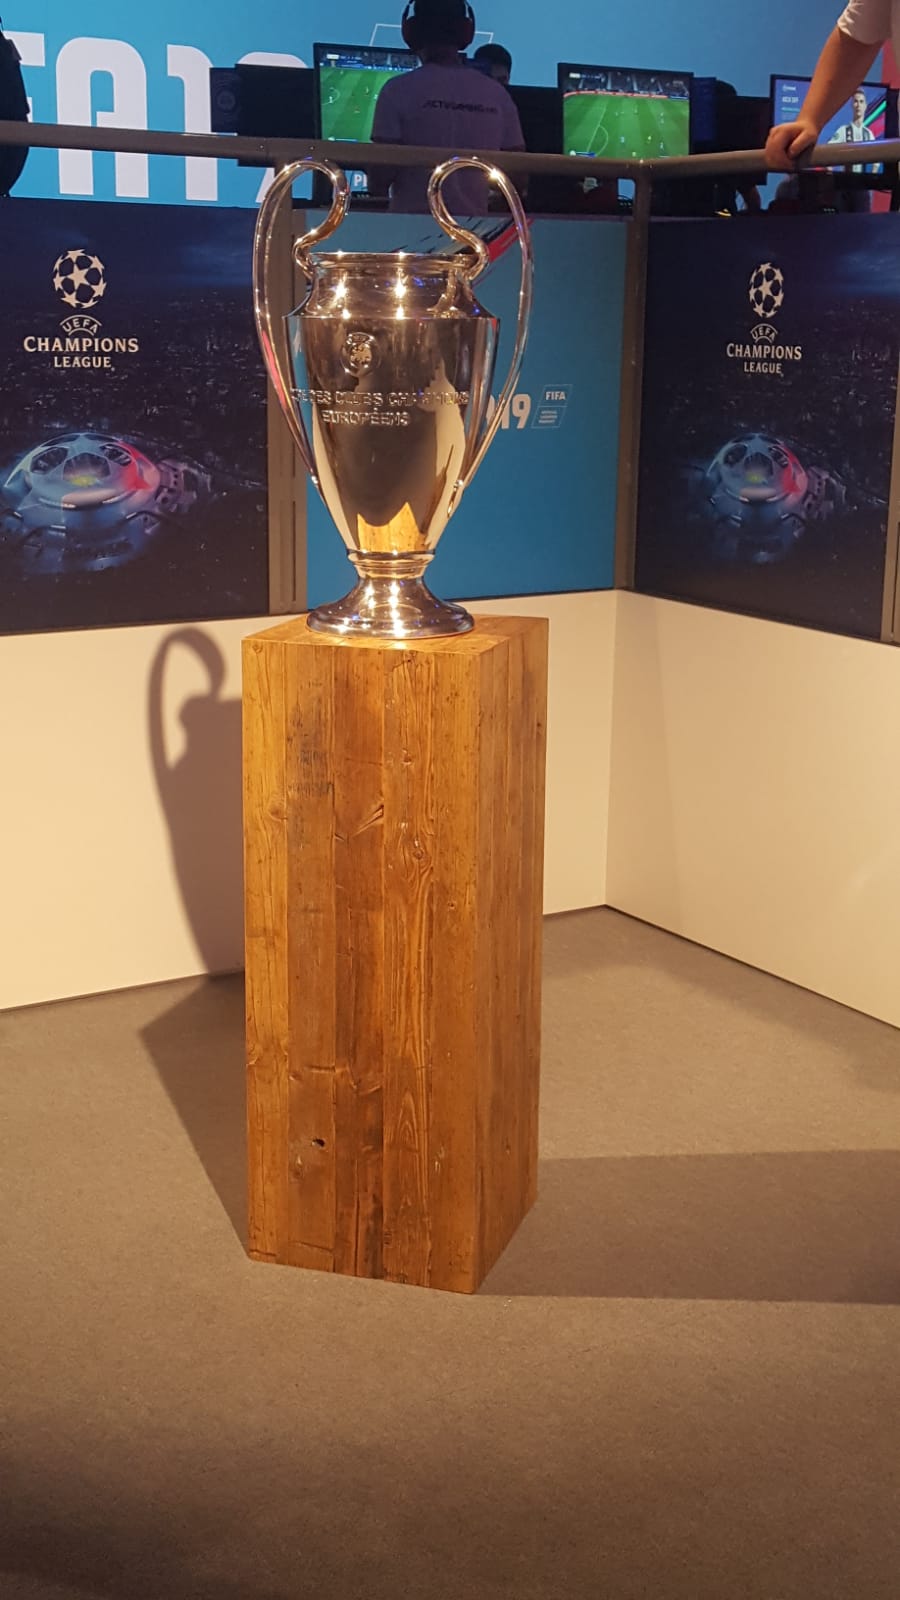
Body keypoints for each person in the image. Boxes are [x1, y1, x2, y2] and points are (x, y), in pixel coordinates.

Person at [370, 0, 524, 213]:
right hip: (476, 229)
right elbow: (518, 178)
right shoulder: (497, 94)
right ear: (466, 32)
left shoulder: (396, 90)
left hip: (410, 227)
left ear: (411, 31)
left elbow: (378, 180)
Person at [766, 2, 894, 170]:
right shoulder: (844, 132)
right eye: (856, 101)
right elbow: (858, 35)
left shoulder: (868, 134)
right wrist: (809, 120)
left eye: (861, 101)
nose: (858, 105)